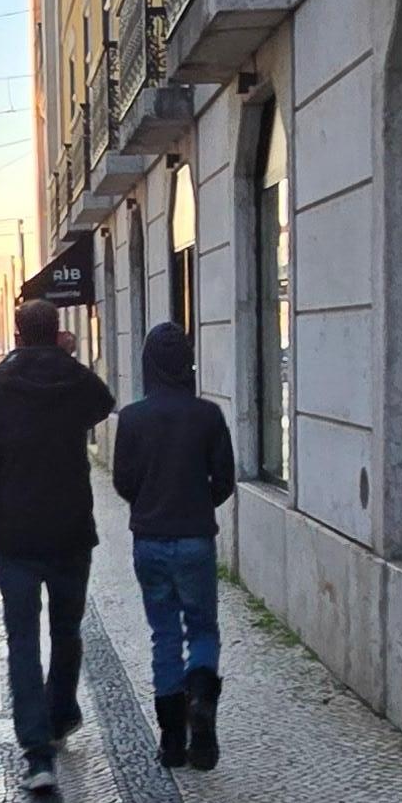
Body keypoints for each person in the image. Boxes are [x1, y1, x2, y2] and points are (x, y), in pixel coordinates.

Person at [0, 300, 115, 793]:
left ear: (17, 333)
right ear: (56, 333)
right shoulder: (73, 381)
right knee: (67, 630)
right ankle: (61, 711)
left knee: (22, 640)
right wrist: (65, 358)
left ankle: (36, 750)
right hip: (70, 530)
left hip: (15, 535)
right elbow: (104, 401)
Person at [109, 319, 237, 768]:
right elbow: (225, 480)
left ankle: (171, 741)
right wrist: (197, 501)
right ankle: (201, 698)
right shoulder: (208, 415)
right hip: (196, 538)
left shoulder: (132, 418)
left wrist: (150, 502)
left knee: (164, 634)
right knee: (202, 628)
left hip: (150, 540)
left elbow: (122, 481)